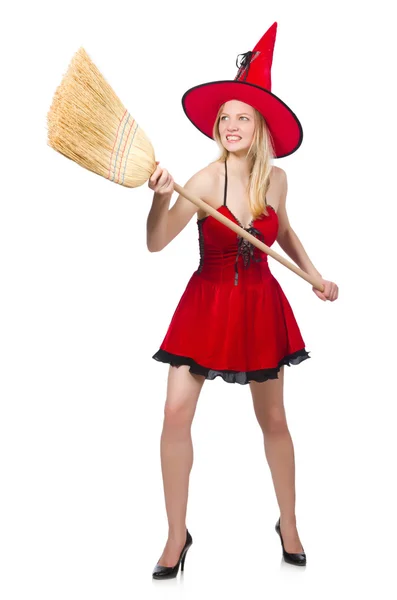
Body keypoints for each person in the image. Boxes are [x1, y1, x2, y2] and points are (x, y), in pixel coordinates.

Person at [148, 23, 339, 579]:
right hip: (205, 304)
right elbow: (157, 242)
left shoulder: (276, 180)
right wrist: (158, 201)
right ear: (217, 126)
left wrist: (315, 276)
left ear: (259, 128)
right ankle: (175, 534)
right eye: (225, 116)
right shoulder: (203, 181)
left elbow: (287, 234)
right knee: (174, 416)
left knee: (274, 418)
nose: (232, 126)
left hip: (260, 304)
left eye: (243, 117)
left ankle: (290, 522)